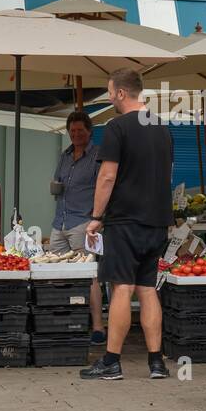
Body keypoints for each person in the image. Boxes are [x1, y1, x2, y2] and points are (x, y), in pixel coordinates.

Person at [81, 69, 174, 380]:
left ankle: (111, 361)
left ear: (121, 93)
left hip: (125, 220)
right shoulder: (162, 127)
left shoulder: (116, 127)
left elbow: (107, 176)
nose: (109, 98)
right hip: (158, 221)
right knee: (148, 288)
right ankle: (156, 362)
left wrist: (96, 217)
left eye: (110, 92)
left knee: (122, 286)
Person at [50, 111, 106, 343]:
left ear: (89, 131)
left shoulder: (98, 155)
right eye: (72, 131)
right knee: (55, 274)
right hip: (60, 222)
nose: (76, 135)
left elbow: (105, 187)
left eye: (80, 131)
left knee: (89, 275)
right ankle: (64, 323)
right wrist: (55, 187)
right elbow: (57, 182)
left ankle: (97, 328)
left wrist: (99, 218)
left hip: (84, 223)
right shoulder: (64, 156)